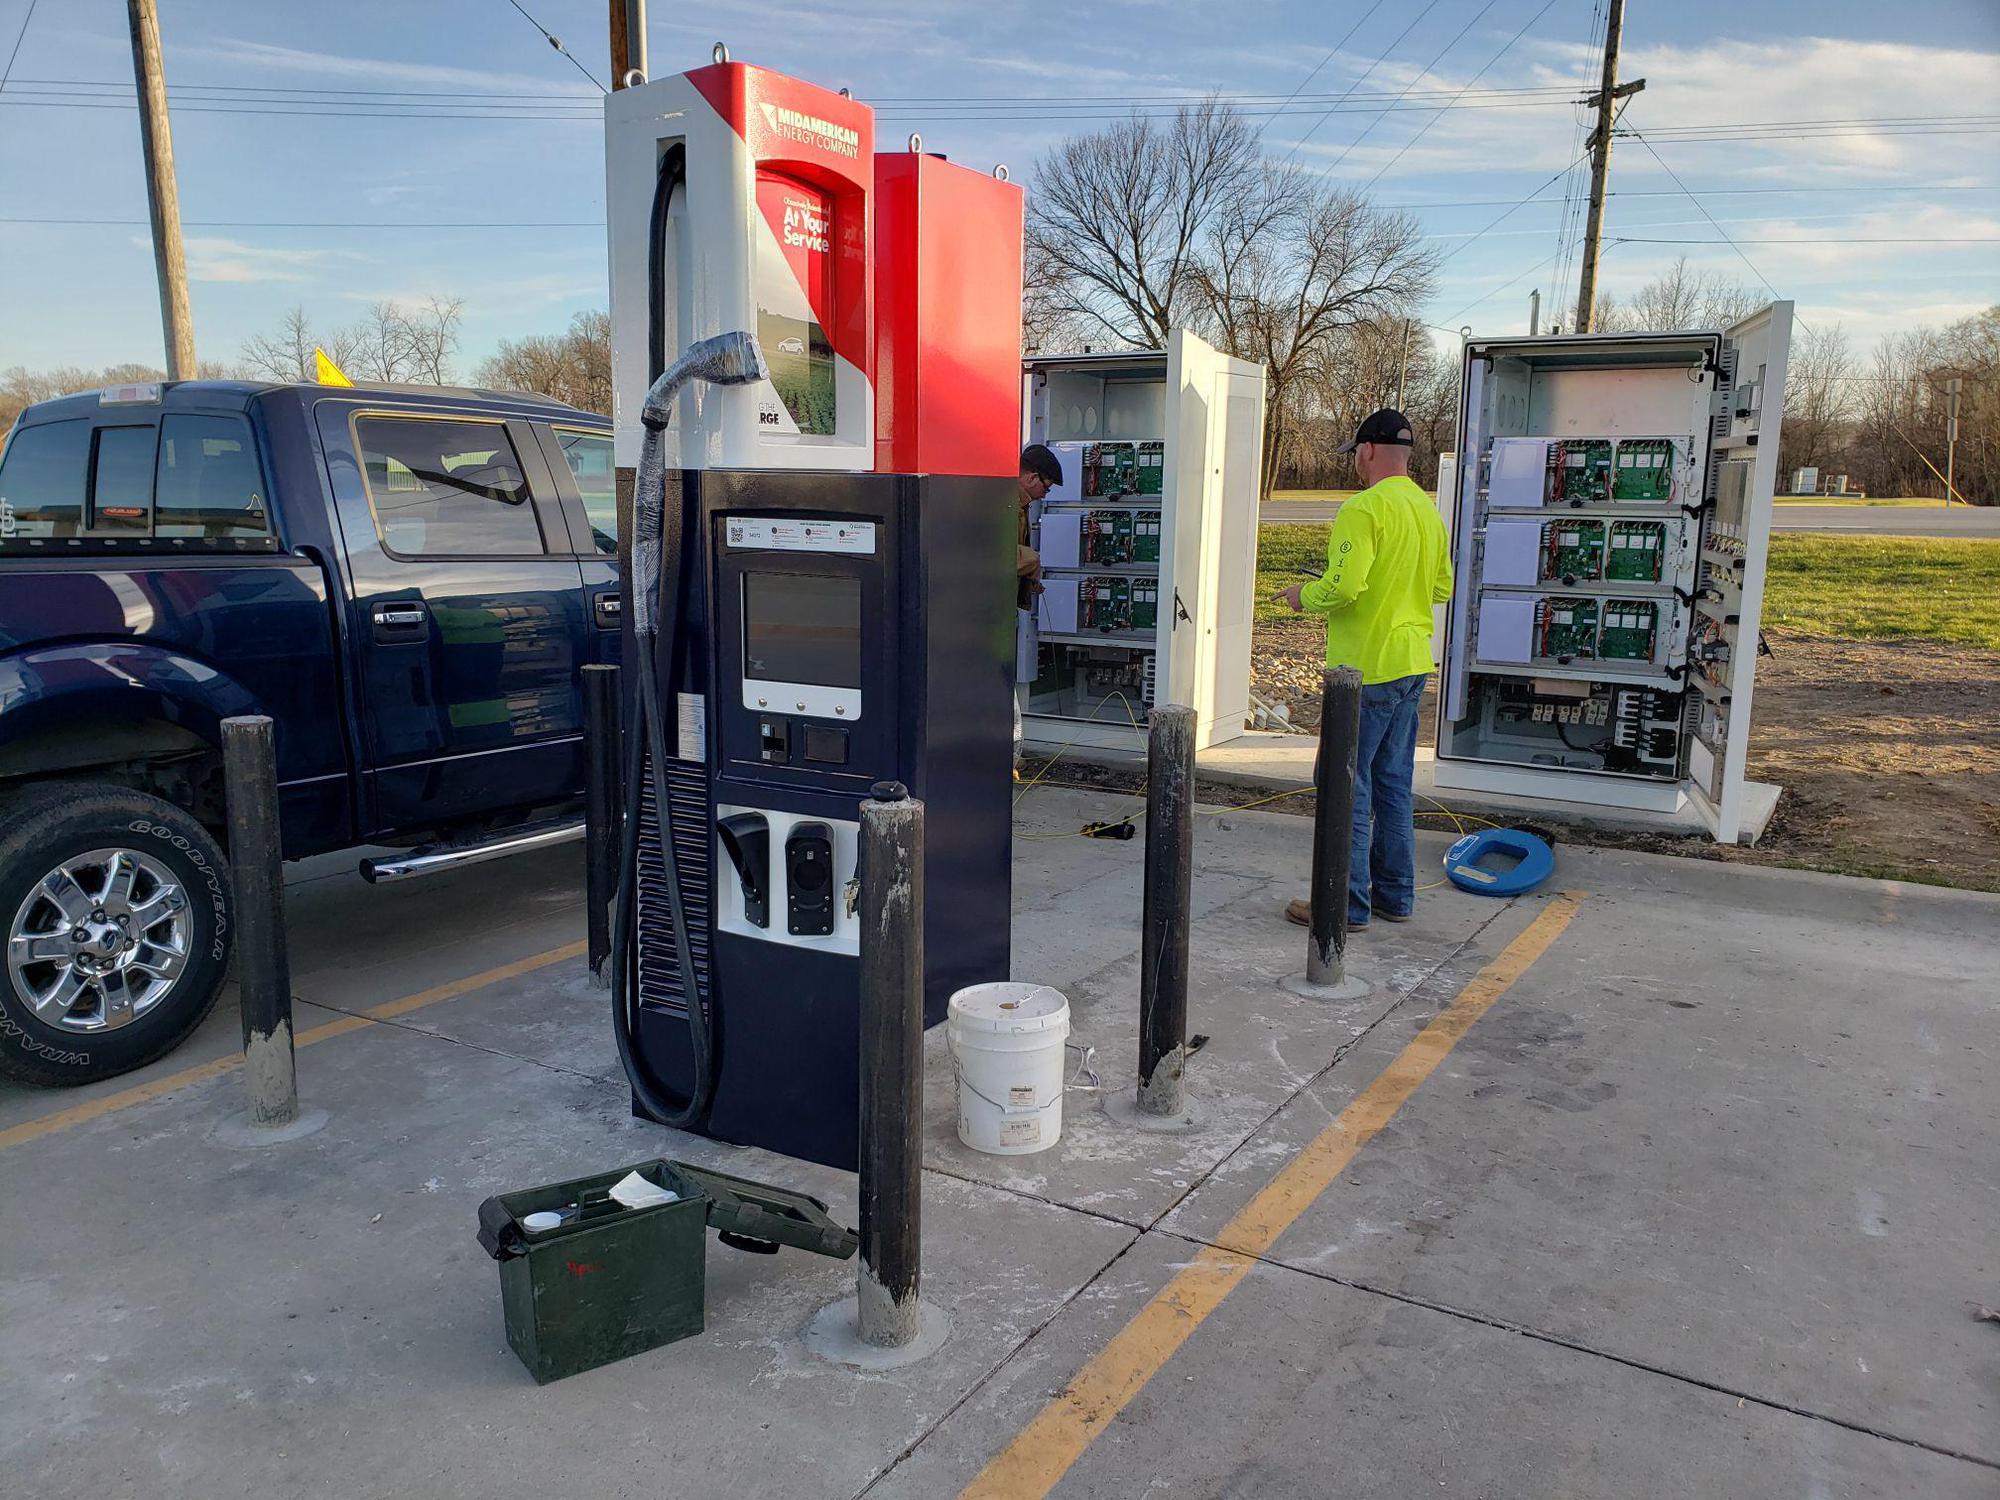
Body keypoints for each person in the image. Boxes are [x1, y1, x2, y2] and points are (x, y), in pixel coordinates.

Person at [1272, 409, 1453, 930]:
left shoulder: (1364, 509)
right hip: (1412, 662)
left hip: (1365, 671)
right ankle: (1396, 897)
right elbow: (1441, 588)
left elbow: (1344, 587)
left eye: (1355, 452)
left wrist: (1303, 595)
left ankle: (1344, 904)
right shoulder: (1425, 509)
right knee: (1392, 782)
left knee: (1343, 784)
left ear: (1369, 450)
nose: (1354, 461)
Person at [1014, 445, 1064, 770]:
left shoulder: (1020, 502)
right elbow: (992, 551)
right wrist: (1033, 561)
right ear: (1032, 476)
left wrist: (1029, 578)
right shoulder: (1003, 501)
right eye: (1045, 488)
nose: (1044, 494)